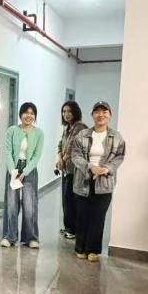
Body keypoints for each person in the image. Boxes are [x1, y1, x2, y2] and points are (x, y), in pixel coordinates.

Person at [71, 101, 126, 262]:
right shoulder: (82, 135)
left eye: (104, 112)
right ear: (92, 115)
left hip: (104, 182)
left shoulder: (116, 137)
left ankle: (93, 249)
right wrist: (91, 168)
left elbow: (119, 156)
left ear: (110, 115)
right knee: (82, 216)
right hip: (83, 180)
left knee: (98, 217)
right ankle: (80, 248)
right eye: (97, 112)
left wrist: (106, 169)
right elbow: (75, 155)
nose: (101, 115)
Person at [0, 102, 45, 248]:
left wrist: (25, 172)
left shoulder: (39, 133)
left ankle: (31, 238)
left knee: (30, 205)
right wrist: (13, 171)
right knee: (11, 204)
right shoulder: (12, 130)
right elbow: (8, 152)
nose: (29, 116)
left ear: (35, 116)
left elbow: (36, 156)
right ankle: (9, 236)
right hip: (13, 168)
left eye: (32, 113)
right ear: (21, 114)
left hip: (30, 170)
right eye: (26, 112)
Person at [56, 101, 87, 240]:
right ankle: (68, 227)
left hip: (75, 170)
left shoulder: (79, 127)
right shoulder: (67, 128)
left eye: (69, 111)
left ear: (75, 112)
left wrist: (63, 159)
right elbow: (60, 144)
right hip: (66, 169)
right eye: (64, 111)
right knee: (66, 199)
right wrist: (59, 157)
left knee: (71, 200)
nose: (66, 114)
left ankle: (73, 229)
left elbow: (73, 146)